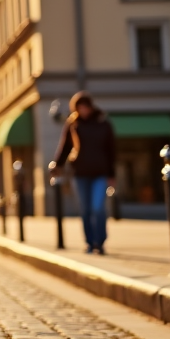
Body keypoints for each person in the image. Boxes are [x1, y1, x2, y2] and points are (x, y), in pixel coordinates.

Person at [52, 91, 117, 254]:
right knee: (85, 209)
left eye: (85, 107)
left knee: (97, 208)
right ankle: (90, 242)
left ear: (90, 106)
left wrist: (112, 174)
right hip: (80, 173)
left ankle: (100, 241)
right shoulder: (73, 123)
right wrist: (57, 165)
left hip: (100, 173)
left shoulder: (103, 123)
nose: (83, 110)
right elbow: (65, 146)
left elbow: (111, 150)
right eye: (79, 107)